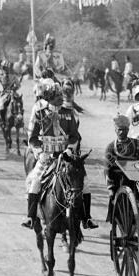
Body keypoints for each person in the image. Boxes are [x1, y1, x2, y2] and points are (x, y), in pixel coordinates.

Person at [23, 80, 86, 229]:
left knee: (84, 183)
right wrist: (39, 153)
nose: (60, 98)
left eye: (60, 95)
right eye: (56, 96)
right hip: (47, 156)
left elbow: (74, 135)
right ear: (49, 98)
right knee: (34, 182)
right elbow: (32, 139)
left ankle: (86, 218)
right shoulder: (40, 113)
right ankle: (31, 217)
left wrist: (69, 149)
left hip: (65, 156)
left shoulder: (68, 113)